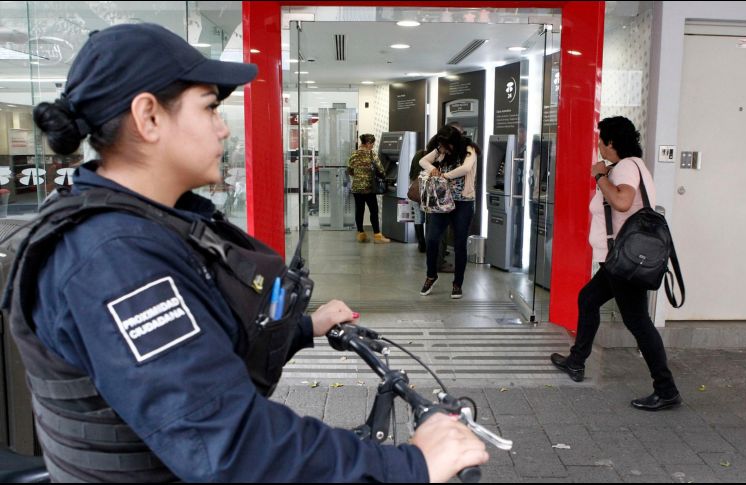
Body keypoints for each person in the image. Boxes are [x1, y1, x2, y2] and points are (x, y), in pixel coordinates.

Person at [1, 23, 488, 482]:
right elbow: (227, 444)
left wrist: (302, 328)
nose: (223, 129)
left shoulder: (148, 224)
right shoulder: (113, 259)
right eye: (209, 108)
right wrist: (410, 466)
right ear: (148, 116)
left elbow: (190, 356)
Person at [550, 116, 682, 412]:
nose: (598, 146)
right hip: (618, 258)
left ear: (611, 143)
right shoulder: (633, 166)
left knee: (638, 322)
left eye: (601, 141)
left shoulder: (624, 167)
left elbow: (622, 202)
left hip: (625, 260)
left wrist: (599, 177)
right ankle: (576, 361)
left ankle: (666, 388)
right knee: (588, 299)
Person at [418, 125, 479, 300]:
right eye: (441, 145)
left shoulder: (469, 149)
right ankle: (431, 275)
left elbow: (466, 169)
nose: (442, 148)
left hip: (464, 203)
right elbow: (423, 161)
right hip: (442, 202)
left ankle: (457, 283)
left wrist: (445, 176)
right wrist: (433, 170)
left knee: (460, 244)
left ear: (454, 142)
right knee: (432, 239)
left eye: (445, 145)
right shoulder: (441, 149)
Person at [347, 133, 390, 243]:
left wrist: (358, 176)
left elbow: (350, 170)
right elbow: (380, 170)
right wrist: (385, 176)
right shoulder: (372, 155)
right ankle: (377, 236)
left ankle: (361, 234)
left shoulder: (354, 154)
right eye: (373, 144)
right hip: (369, 188)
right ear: (368, 143)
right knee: (374, 211)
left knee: (359, 211)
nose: (373, 146)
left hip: (356, 188)